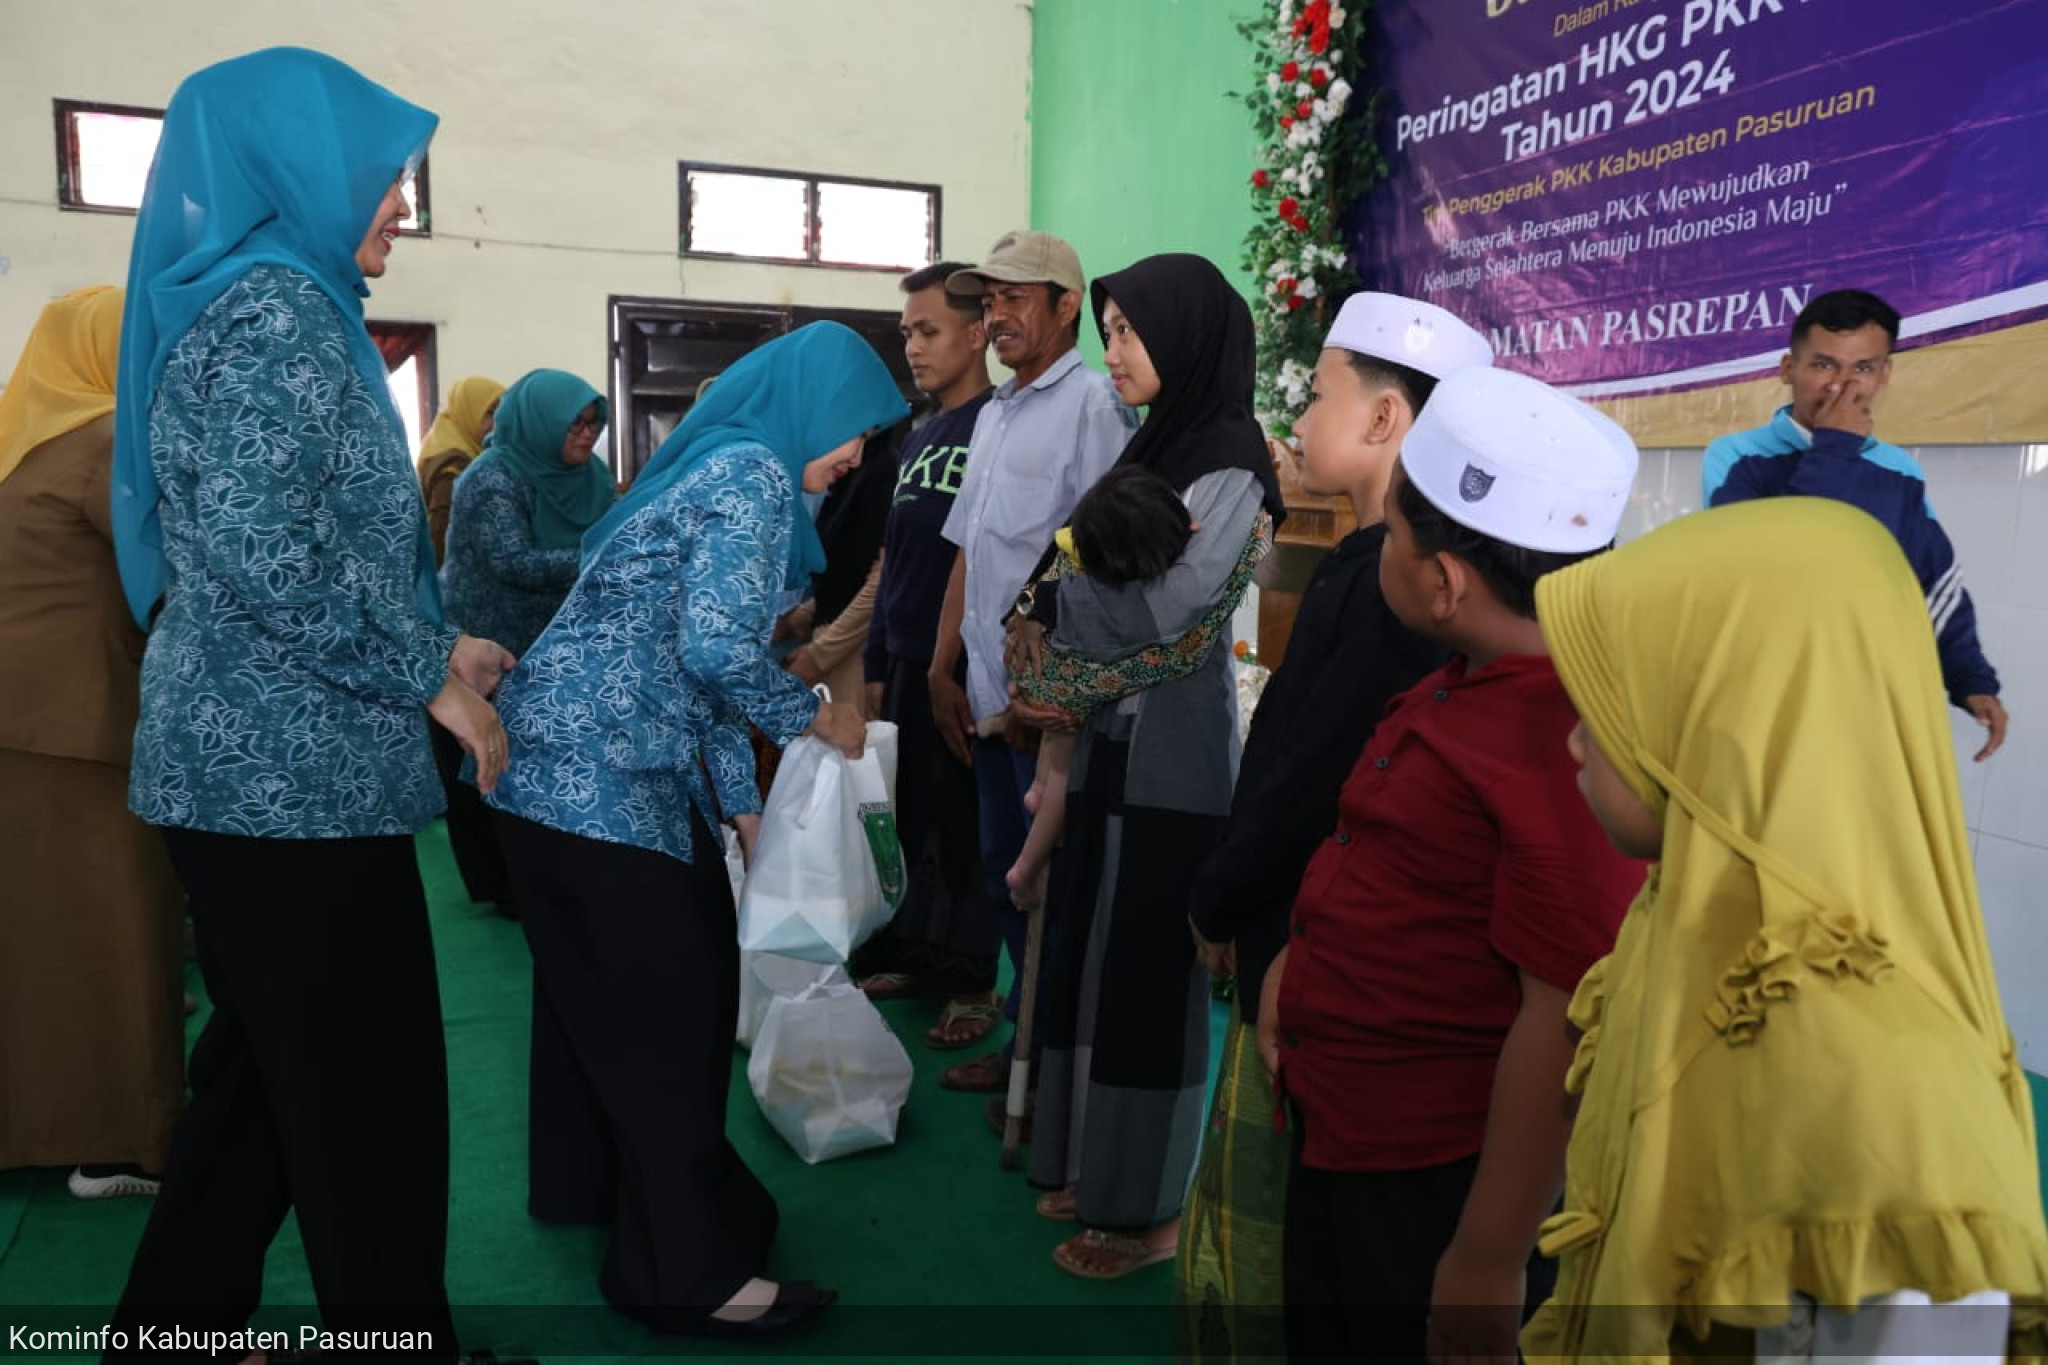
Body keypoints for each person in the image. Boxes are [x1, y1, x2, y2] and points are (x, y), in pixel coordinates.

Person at [103, 48, 513, 1361]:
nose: (398, 205)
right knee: (365, 1106)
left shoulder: (271, 301)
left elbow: (299, 547)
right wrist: (428, 681)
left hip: (265, 783)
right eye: (381, 180)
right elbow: (266, 556)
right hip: (286, 791)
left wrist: (437, 635)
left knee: (266, 1101)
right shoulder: (275, 309)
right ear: (295, 171)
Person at [1527, 496, 2048, 1360]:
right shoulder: (1684, 927)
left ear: (1730, 724)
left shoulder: (1890, 1104)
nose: (1577, 741)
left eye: (1619, 703)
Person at [481, 321, 899, 1338]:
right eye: (852, 430)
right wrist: (818, 718)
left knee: (593, 1003)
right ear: (809, 403)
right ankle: (688, 1274)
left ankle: (587, 1193)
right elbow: (717, 652)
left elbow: (687, 664)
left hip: (540, 781)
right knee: (674, 1015)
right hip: (604, 783)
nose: (853, 456)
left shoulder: (704, 462)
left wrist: (741, 807)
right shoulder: (756, 475)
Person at [1260, 365, 1645, 1362]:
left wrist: (1483, 1257)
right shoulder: (1464, 683)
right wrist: (1291, 966)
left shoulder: (1564, 744)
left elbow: (1561, 1014)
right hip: (1351, 1127)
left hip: (1433, 1170)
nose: (1380, 546)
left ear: (1441, 581)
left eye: (1393, 533)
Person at [1174, 293, 1490, 1358]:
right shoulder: (1370, 567)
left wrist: (1221, 887)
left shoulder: (1389, 589)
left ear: (1384, 419)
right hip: (1302, 909)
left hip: (1313, 924)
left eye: (1316, 396)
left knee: (1325, 1203)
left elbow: (1310, 774)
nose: (1297, 421)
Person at [1006, 252, 1287, 1279]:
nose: (1112, 351)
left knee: (1150, 988)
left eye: (1128, 332)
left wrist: (1071, 593)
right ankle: (1102, 1168)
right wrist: (1074, 581)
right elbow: (1068, 574)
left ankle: (1155, 1206)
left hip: (1172, 750)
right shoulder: (1154, 451)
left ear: (1187, 338)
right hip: (1111, 739)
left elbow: (1173, 616)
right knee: (1096, 953)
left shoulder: (1232, 464)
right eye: (1110, 331)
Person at [930, 231, 1136, 1100]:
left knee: (1049, 883)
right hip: (983, 694)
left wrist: (1046, 690)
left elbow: (1105, 555)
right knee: (1003, 870)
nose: (998, 315)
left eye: (1017, 297)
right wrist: (944, 667)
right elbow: (970, 549)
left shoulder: (1093, 406)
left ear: (1064, 308)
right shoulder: (995, 411)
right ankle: (1027, 1042)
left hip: (1043, 707)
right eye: (989, 300)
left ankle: (1055, 1064)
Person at [0, 286, 185, 1200]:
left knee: (32, 937)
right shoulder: (108, 443)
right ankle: (116, 1141)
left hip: (21, 724)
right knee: (117, 930)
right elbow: (168, 580)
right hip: (78, 726)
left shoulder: (20, 444)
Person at [1702, 288, 2008, 759]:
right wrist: (1835, 449)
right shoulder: (1736, 457)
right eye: (1824, 365)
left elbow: (1931, 579)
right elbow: (1770, 565)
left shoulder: (1898, 470)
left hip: (1862, 701)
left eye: (1862, 368)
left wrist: (1970, 677)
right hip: (1762, 698)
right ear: (1789, 370)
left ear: (1885, 374)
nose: (1842, 386)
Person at [851, 261, 1005, 1052]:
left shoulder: (999, 425)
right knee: (913, 820)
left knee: (965, 822)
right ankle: (919, 955)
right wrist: (877, 660)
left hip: (965, 662)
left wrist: (955, 662)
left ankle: (975, 980)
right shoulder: (919, 433)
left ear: (978, 332)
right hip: (906, 655)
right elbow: (898, 553)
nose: (911, 346)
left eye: (928, 330)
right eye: (907, 331)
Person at [436, 368, 616, 913]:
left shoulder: (593, 477)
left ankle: (539, 873)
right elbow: (512, 562)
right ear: (541, 423)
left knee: (537, 763)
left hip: (556, 639)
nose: (586, 436)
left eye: (592, 424)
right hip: (488, 642)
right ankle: (501, 885)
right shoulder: (492, 477)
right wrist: (599, 557)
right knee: (486, 762)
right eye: (574, 425)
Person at [1005, 464, 1199, 913]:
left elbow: (1037, 590)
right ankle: (1027, 867)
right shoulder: (1122, 601)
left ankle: (1035, 786)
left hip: (1042, 665)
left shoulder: (1082, 540)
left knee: (1052, 729)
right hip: (1070, 683)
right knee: (1064, 773)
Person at [417, 374, 505, 564]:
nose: (497, 424)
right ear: (468, 413)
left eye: (502, 413)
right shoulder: (452, 466)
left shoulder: (448, 445)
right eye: (490, 413)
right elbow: (441, 534)